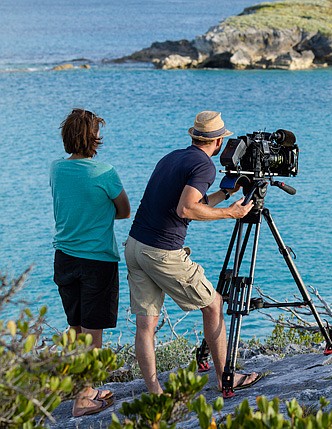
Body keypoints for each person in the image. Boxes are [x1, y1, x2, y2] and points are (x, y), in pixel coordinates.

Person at [125, 111, 261, 394]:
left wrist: (225, 196)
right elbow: (186, 209)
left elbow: (190, 201)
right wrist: (230, 213)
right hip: (162, 252)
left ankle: (154, 393)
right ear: (220, 142)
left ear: (194, 136)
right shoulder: (204, 166)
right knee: (213, 304)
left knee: (146, 324)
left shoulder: (173, 157)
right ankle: (227, 378)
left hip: (136, 246)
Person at [50, 108, 130, 417]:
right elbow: (123, 210)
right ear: (93, 138)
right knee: (93, 331)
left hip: (64, 257)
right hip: (96, 259)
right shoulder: (104, 172)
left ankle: (82, 389)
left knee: (75, 327)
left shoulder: (56, 169)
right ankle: (83, 399)